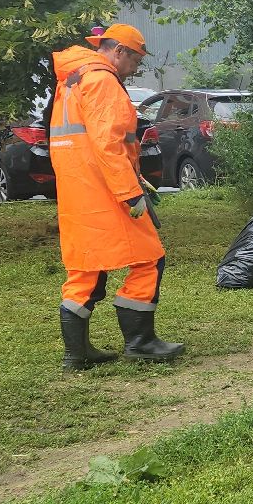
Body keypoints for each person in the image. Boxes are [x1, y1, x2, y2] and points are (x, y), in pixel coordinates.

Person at [48, 23, 184, 370]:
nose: (135, 68)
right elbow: (108, 144)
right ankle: (140, 341)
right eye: (135, 60)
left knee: (85, 267)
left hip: (79, 191)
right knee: (150, 258)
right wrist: (130, 192)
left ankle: (76, 354)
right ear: (119, 51)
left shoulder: (72, 80)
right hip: (107, 191)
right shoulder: (102, 81)